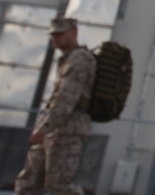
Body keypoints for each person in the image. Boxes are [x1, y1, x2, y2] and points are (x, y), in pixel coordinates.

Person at [15, 17, 96, 195]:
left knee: (59, 185)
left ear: (74, 32)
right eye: (53, 35)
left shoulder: (80, 59)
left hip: (67, 130)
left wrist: (44, 128)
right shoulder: (68, 59)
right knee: (29, 182)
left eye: (60, 34)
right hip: (53, 129)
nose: (55, 38)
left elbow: (66, 100)